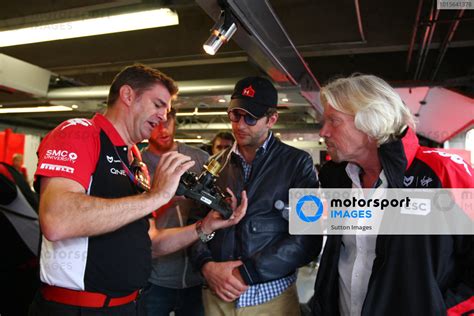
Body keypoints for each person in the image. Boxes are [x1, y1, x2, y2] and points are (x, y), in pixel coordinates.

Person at [30, 64, 248, 315]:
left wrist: (205, 227)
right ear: (128, 95)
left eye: (167, 111)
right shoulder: (80, 133)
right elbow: (57, 220)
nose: (163, 117)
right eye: (157, 105)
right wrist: (157, 196)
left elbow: (151, 242)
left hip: (129, 305)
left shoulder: (134, 160)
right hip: (76, 308)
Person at [311, 74, 474, 315]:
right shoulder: (336, 178)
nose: (323, 132)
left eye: (334, 121)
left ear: (370, 123)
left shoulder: (446, 173)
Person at [191, 76, 322, 315]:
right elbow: (195, 225)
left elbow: (308, 237)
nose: (240, 125)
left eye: (250, 117)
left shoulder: (296, 163)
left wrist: (247, 273)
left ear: (272, 119)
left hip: (272, 301)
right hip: (217, 299)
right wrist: (206, 266)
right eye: (235, 115)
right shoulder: (215, 166)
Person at [142, 106, 209, 316]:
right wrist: (163, 197)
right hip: (155, 278)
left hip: (198, 276)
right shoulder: (138, 165)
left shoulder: (199, 159)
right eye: (156, 123)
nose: (163, 129)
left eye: (168, 121)